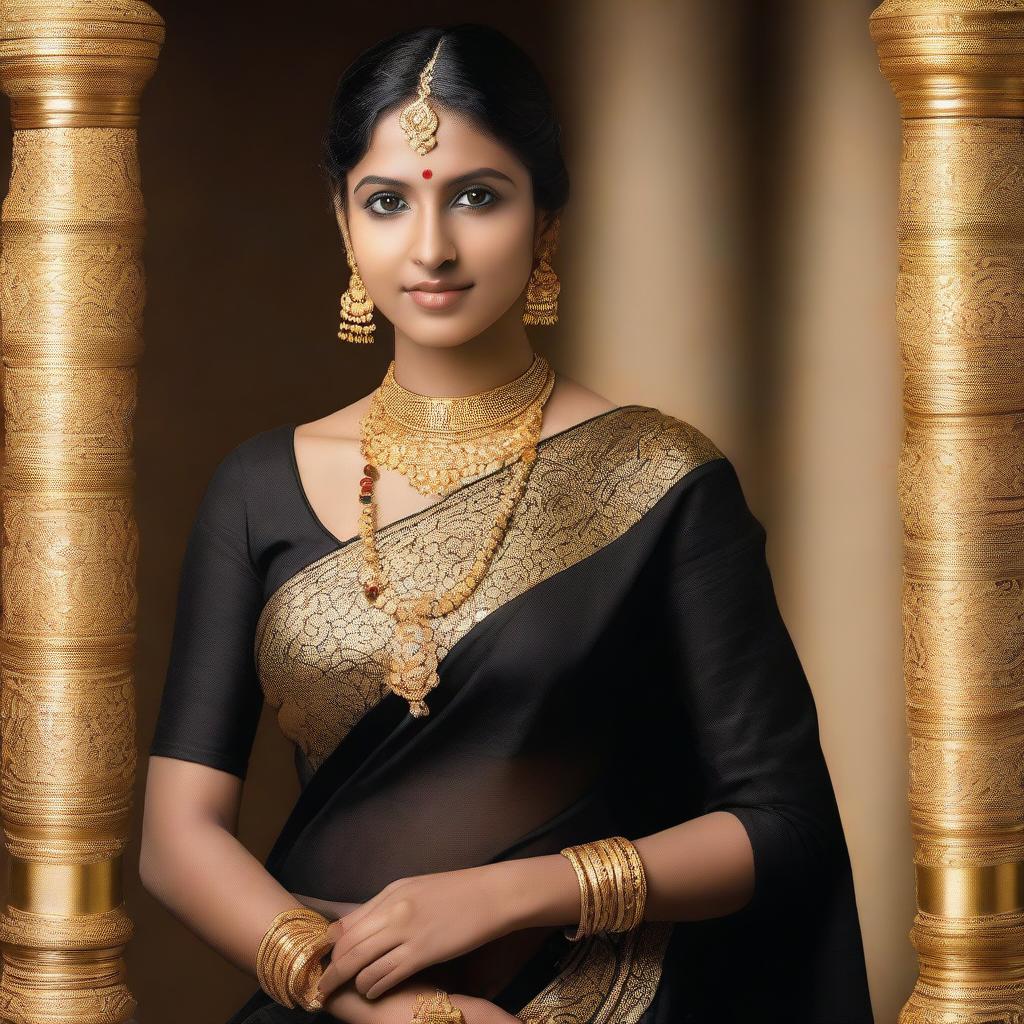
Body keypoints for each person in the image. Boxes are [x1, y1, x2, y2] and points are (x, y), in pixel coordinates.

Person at [141, 23, 874, 1024]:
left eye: (476, 197)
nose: (431, 245)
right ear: (343, 224)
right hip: (330, 1001)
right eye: (388, 201)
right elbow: (177, 835)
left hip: (605, 997)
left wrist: (505, 894)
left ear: (546, 225)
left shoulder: (658, 477)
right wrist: (366, 997)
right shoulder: (257, 487)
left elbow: (779, 822)